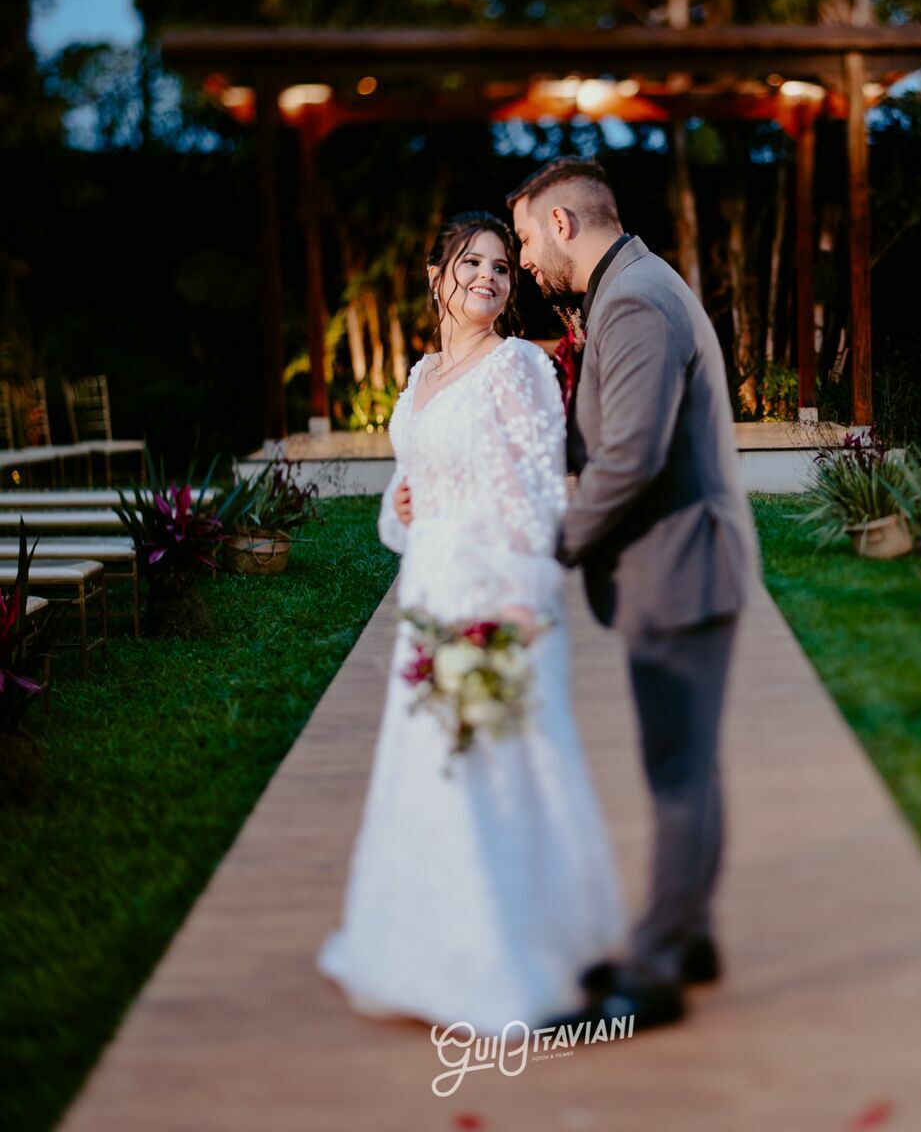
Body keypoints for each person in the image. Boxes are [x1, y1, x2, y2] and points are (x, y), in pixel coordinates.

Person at [317, 210, 624, 1035]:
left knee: (502, 759)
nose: (488, 277)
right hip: (429, 593)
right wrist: (401, 506)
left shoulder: (518, 367)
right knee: (432, 763)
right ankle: (423, 947)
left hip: (496, 593)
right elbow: (408, 492)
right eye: (470, 263)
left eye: (500, 266)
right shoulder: (418, 380)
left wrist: (523, 602)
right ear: (435, 277)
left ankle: (526, 947)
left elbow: (532, 490)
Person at [508, 157, 766, 1034]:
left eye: (524, 237)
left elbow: (631, 457)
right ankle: (686, 934)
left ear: (564, 224)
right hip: (685, 563)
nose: (523, 260)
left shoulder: (631, 302)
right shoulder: (638, 285)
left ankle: (652, 973)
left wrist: (557, 546)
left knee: (676, 774)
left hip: (679, 566)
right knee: (689, 765)